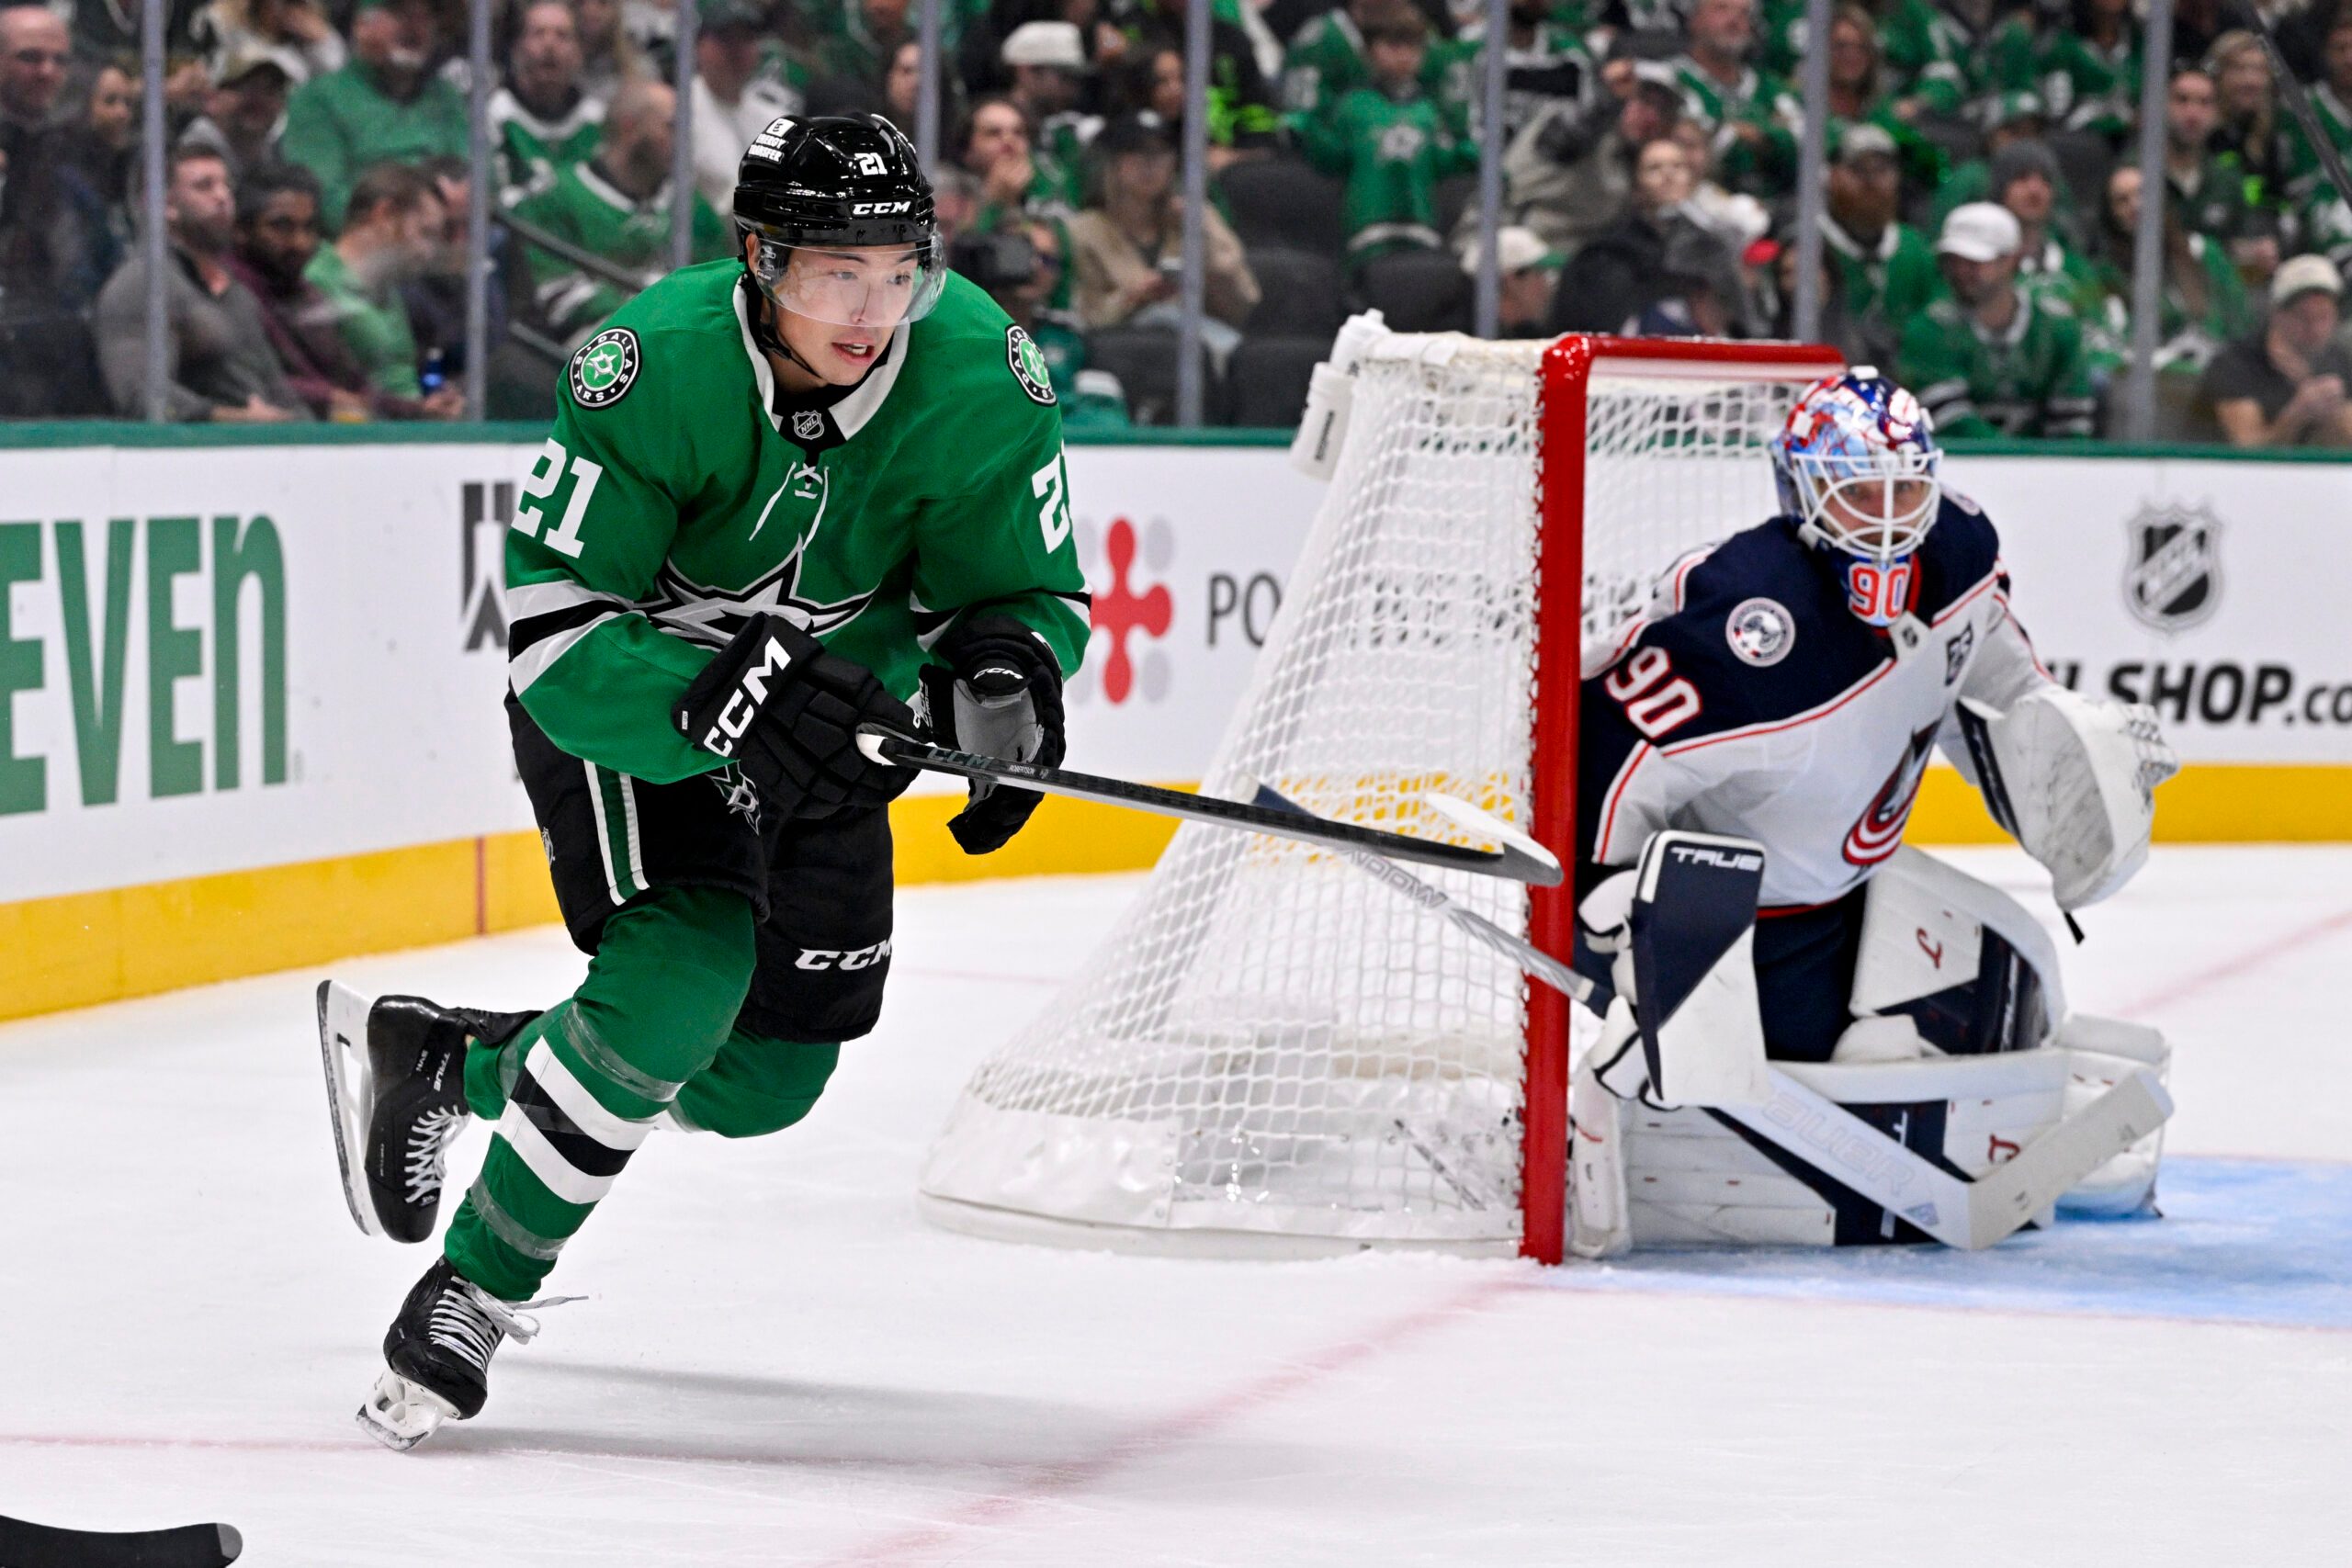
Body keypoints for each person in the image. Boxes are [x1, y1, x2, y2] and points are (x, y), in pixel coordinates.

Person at [319, 112, 1089, 1451]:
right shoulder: (651, 363)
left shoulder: (982, 377)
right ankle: (473, 1292)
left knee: (767, 1075)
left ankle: (454, 1056)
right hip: (634, 714)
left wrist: (1004, 675)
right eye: (832, 273)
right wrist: (717, 697)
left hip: (827, 736)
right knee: (682, 971)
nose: (870, 308)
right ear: (757, 258)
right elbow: (556, 635)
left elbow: (1018, 588)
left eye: (897, 269)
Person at [1567, 367, 2177, 1255]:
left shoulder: (1960, 548)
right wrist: (1612, 912)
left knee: (2009, 996)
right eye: (1858, 494)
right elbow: (1611, 746)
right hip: (1745, 928)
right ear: (1803, 494)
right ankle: (1612, 1097)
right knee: (1863, 1081)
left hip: (1857, 890)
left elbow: (1992, 673)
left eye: (1905, 489)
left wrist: (2057, 735)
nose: (1888, 519)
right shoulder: (1749, 622)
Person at [513, 78, 732, 350]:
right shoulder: (556, 198)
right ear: (629, 128)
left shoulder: (691, 206)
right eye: (671, 127)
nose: (684, 139)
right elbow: (558, 295)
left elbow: (724, 292)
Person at [94, 145, 304, 421]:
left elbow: (278, 388)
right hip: (193, 455)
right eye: (204, 187)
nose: (222, 197)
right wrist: (237, 419)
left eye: (226, 186)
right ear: (165, 204)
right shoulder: (143, 284)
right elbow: (142, 395)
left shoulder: (238, 293)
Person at [1290, 10, 1476, 272]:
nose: (1403, 56)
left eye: (1413, 47)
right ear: (1369, 51)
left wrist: (1473, 154)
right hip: (1365, 228)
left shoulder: (1428, 112)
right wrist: (1307, 129)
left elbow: (1444, 160)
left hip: (1421, 228)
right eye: (1393, 45)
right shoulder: (1354, 107)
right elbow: (1332, 157)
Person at [1898, 202, 2098, 438]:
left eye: (1975, 261)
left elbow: (2072, 426)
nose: (1962, 271)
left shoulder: (2058, 330)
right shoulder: (1928, 330)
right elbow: (1950, 422)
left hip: (2046, 472)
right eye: (1954, 260)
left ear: (2011, 259)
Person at [0, 5, 107, 414]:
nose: (47, 71)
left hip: (62, 354)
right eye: (30, 57)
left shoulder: (75, 147)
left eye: (59, 60)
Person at [277, 0, 467, 228]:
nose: (415, 27)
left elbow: (479, 177)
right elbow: (323, 199)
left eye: (427, 16)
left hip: (450, 241)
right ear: (361, 25)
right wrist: (409, 220)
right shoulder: (319, 99)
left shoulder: (446, 97)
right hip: (367, 244)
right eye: (399, 13)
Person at [1066, 109, 1255, 333]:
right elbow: (1080, 315)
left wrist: (1203, 226)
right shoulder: (1082, 231)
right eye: (1135, 152)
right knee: (1162, 317)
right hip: (1119, 348)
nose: (1149, 164)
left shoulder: (1196, 218)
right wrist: (1133, 297)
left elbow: (1244, 300)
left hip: (1194, 344)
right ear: (1112, 162)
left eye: (1160, 152)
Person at [304, 159, 461, 414]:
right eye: (425, 233)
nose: (430, 253)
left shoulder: (389, 290)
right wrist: (417, 411)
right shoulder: (317, 280)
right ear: (385, 214)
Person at [227, 158, 379, 418]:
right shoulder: (229, 293)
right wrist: (331, 398)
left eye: (309, 228)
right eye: (282, 227)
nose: (300, 243)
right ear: (241, 230)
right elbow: (258, 383)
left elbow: (353, 382)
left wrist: (419, 409)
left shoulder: (306, 293)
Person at [1551, 133, 1746, 336]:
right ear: (1637, 185)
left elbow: (1743, 320)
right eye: (1654, 168)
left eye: (1678, 166)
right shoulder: (1609, 254)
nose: (1668, 175)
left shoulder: (1715, 247)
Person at [1504, 57, 1682, 258]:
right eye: (1643, 101)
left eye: (1663, 109)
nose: (1651, 117)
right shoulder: (1571, 122)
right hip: (1516, 249)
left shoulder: (1633, 159)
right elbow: (1575, 132)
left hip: (1578, 268)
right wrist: (1608, 98)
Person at [2196, 253, 2352, 446]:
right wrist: (2298, 413)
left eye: (2324, 316)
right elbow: (2247, 453)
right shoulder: (2235, 364)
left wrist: (2335, 417)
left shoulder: (2337, 360)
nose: (2315, 328)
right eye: (2303, 316)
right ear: (2277, 314)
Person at [1818, 123, 1938, 368]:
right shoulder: (1808, 244)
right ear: (1832, 175)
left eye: (1883, 169)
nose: (1871, 181)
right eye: (1858, 169)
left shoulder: (1913, 247)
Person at [688, 0, 800, 219]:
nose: (736, 52)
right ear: (699, 46)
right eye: (725, 40)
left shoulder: (775, 120)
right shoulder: (680, 113)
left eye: (747, 40)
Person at [493, 0, 605, 206]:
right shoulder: (495, 114)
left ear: (579, 52)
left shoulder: (596, 120)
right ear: (518, 48)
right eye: (538, 34)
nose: (550, 45)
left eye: (562, 36)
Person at [179, 44, 292, 179]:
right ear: (213, 97)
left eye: (271, 91)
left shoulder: (270, 152)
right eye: (248, 87)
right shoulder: (195, 152)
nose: (260, 100)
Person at [1468, 222, 1560, 337]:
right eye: (1540, 273)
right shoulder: (1473, 343)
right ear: (1511, 281)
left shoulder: (1527, 334)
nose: (1547, 284)